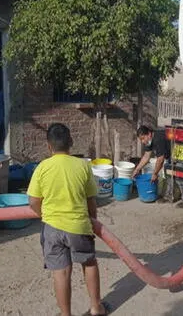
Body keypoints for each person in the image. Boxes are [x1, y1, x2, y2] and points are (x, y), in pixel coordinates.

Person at [28, 123, 107, 316]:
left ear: (48, 146)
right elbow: (91, 201)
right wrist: (93, 222)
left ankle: (66, 315)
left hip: (52, 228)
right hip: (79, 226)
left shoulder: (42, 168)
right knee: (88, 263)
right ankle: (96, 308)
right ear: (71, 142)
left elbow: (33, 201)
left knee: (61, 272)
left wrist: (44, 216)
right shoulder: (82, 166)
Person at [132, 125, 183, 208]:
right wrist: (137, 169)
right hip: (171, 153)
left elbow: (160, 159)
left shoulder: (158, 139)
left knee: (179, 176)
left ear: (149, 134)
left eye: (143, 138)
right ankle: (169, 196)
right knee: (169, 174)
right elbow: (146, 156)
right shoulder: (149, 141)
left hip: (180, 150)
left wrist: (155, 173)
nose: (142, 141)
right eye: (140, 139)